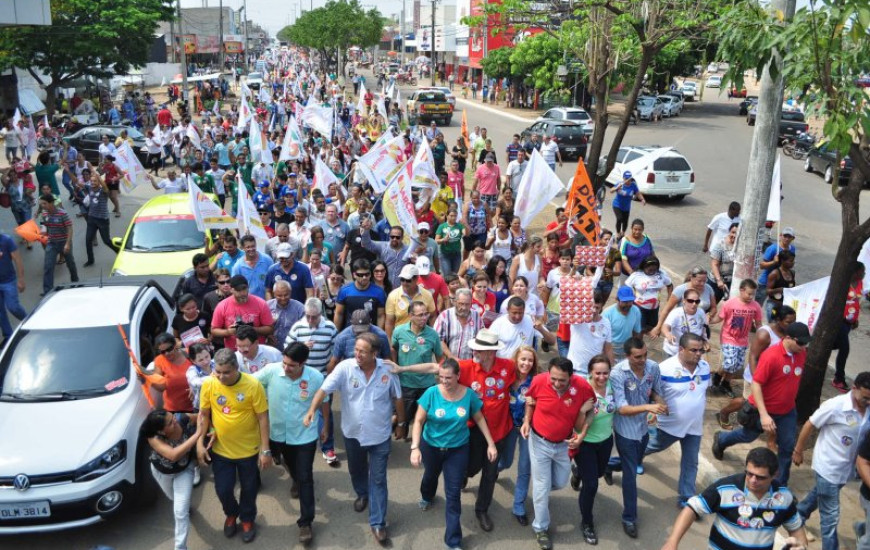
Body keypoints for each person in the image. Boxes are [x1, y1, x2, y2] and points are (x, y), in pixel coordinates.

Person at [303, 332, 407, 546]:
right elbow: (323, 390)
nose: (357, 354)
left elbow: (398, 397)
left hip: (380, 435)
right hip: (352, 434)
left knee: (378, 479)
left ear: (375, 353)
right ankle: (361, 493)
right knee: (357, 470)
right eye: (356, 350)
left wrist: (402, 424)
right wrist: (313, 410)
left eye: (362, 351)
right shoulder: (345, 368)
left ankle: (378, 522)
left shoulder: (388, 369)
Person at [409, 358, 496, 550]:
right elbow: (418, 421)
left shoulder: (469, 395)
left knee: (453, 494)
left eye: (448, 377)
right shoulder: (431, 393)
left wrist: (491, 444)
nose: (444, 381)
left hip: (457, 450)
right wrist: (415, 447)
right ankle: (427, 495)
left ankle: (453, 541)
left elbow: (480, 418)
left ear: (458, 376)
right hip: (431, 446)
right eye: (441, 377)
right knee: (430, 476)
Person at [712, 322, 812, 486]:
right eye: (800, 342)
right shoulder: (771, 356)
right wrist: (764, 415)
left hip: (787, 411)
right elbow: (756, 384)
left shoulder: (801, 354)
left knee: (786, 448)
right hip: (761, 410)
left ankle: (779, 485)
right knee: (748, 435)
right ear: (788, 338)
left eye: (805, 343)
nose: (803, 346)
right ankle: (722, 439)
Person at [251, 343, 329, 545]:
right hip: (276, 433)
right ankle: (294, 477)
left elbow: (325, 402)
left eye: (291, 365)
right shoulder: (271, 371)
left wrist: (326, 426)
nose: (285, 368)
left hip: (304, 434)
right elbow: (248, 383)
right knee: (283, 461)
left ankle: (305, 522)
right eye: (284, 363)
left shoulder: (316, 378)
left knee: (305, 477)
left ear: (303, 363)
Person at [660, 447, 808, 550]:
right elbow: (692, 509)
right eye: (749, 474)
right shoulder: (725, 489)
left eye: (760, 477)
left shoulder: (783, 498)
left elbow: (795, 528)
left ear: (775, 475)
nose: (752, 480)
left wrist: (800, 546)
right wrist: (672, 542)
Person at [196, 348, 271, 543]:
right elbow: (203, 415)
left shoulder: (253, 385)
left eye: (226, 372)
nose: (221, 377)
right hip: (221, 450)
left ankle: (247, 519)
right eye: (218, 372)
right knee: (223, 489)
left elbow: (263, 417)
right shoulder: (210, 384)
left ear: (236, 368)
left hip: (248, 450)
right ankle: (231, 513)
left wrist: (265, 450)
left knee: (249, 488)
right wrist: (199, 442)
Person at [521, 356, 595, 550]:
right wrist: (527, 420)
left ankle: (542, 494)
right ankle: (541, 528)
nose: (556, 383)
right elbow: (530, 400)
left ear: (571, 376)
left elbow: (591, 411)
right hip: (539, 442)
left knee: (560, 482)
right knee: (541, 486)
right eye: (553, 378)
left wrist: (582, 435)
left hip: (564, 444)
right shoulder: (538, 381)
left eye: (562, 380)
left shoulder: (583, 386)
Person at [791, 372, 870, 550]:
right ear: (855, 388)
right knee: (830, 518)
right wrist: (798, 450)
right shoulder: (836, 406)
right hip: (829, 466)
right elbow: (810, 424)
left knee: (818, 495)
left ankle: (798, 516)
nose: (868, 402)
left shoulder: (868, 408)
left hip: (847, 469)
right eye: (865, 398)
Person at [645, 333, 711, 509]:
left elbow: (701, 392)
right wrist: (659, 401)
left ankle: (686, 497)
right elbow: (650, 390)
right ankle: (611, 465)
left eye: (701, 350)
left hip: (694, 428)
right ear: (681, 350)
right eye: (694, 350)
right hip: (668, 427)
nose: (698, 354)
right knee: (641, 450)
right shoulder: (664, 368)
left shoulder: (704, 367)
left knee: (691, 462)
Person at [285, 297, 339, 467]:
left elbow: (336, 351)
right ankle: (300, 442)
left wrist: (331, 370)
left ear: (320, 314)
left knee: (325, 412)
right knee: (302, 410)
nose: (310, 320)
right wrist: (301, 346)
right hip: (302, 379)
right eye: (307, 316)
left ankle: (327, 447)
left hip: (323, 377)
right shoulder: (298, 327)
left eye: (314, 317)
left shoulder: (330, 328)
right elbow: (287, 351)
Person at [142, 409, 206, 550]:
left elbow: (203, 416)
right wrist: (197, 435)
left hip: (184, 471)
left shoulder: (183, 418)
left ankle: (180, 547)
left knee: (180, 512)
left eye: (173, 417)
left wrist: (210, 430)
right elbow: (173, 455)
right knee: (173, 498)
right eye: (170, 422)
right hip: (162, 474)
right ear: (161, 431)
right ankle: (185, 506)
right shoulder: (153, 438)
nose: (175, 421)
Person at [571, 355, 616, 545]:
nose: (602, 377)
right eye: (598, 373)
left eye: (605, 373)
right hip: (585, 442)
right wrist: (583, 410)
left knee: (597, 474)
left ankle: (578, 472)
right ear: (590, 372)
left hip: (606, 441)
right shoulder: (583, 390)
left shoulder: (613, 386)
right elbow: (577, 425)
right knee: (591, 486)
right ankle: (587, 523)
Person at [210, 274, 274, 351]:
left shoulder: (261, 303)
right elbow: (214, 330)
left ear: (248, 287)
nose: (242, 293)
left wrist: (251, 329)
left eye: (244, 289)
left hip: (257, 349)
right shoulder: (222, 306)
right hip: (234, 351)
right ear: (231, 290)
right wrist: (228, 332)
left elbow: (270, 328)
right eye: (238, 290)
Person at [832, 261, 865, 392]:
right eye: (862, 272)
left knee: (834, 345)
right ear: (856, 272)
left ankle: (809, 353)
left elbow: (857, 302)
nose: (864, 274)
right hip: (840, 322)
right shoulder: (843, 285)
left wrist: (855, 319)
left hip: (849, 324)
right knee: (844, 349)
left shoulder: (859, 283)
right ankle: (839, 379)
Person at [38, 194, 78, 295]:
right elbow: (45, 226)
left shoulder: (62, 213)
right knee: (48, 266)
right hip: (51, 243)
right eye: (41, 204)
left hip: (64, 242)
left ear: (51, 203)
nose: (42, 206)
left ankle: (76, 283)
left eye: (44, 203)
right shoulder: (45, 214)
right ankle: (48, 291)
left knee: (70, 264)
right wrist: (42, 231)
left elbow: (70, 228)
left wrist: (68, 244)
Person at [567, 291, 614, 375]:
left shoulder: (606, 323)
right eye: (591, 307)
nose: (594, 311)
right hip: (575, 369)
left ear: (601, 307)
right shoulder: (578, 318)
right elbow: (570, 302)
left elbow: (608, 348)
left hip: (594, 372)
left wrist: (611, 370)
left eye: (597, 307)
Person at [384, 264, 437, 340]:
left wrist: (432, 336)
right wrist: (390, 343)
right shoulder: (393, 296)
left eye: (408, 280)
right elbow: (389, 322)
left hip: (422, 337)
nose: (404, 283)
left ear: (416, 279)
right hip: (400, 338)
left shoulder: (427, 295)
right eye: (402, 279)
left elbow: (432, 316)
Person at [624, 255, 672, 331]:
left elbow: (669, 285)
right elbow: (626, 286)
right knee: (639, 328)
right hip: (639, 306)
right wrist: (631, 298)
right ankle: (638, 340)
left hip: (655, 308)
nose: (652, 271)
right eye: (650, 270)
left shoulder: (661, 274)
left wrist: (669, 298)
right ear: (644, 267)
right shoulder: (636, 275)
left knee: (651, 327)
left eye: (655, 269)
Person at [433, 288, 483, 360]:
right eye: (461, 304)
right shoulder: (445, 316)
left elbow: (481, 337)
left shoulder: (476, 316)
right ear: (455, 302)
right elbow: (437, 339)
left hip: (470, 363)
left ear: (471, 303)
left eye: (467, 304)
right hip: (448, 364)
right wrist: (451, 357)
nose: (464, 307)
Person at [660, 287, 708, 357]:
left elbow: (703, 328)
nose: (694, 304)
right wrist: (668, 334)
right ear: (684, 301)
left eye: (697, 301)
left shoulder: (701, 312)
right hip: (673, 351)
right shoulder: (676, 313)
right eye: (690, 301)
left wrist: (705, 341)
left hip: (692, 352)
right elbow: (665, 326)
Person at [602, 286, 643, 363]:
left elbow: (636, 333)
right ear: (617, 299)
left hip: (626, 349)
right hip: (611, 349)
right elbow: (602, 337)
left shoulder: (636, 311)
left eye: (630, 301)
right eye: (625, 302)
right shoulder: (607, 314)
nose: (628, 304)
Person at [756, 228, 796, 305]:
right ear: (780, 236)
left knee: (776, 305)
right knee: (757, 305)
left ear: (793, 238)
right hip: (766, 282)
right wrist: (774, 262)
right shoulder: (773, 248)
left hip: (780, 283)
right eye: (785, 236)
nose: (787, 239)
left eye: (789, 237)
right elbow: (762, 265)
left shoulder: (792, 249)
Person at [0, 231, 26, 342]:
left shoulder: (6, 240)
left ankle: (28, 323)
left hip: (8, 281)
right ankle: (8, 336)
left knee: (13, 307)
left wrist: (20, 279)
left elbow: (18, 260)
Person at [266, 280, 305, 348]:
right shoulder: (267, 306)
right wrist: (267, 336)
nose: (283, 298)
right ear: (274, 294)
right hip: (271, 347)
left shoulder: (300, 308)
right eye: (279, 295)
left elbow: (304, 329)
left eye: (286, 295)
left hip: (292, 348)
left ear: (290, 293)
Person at [710, 222, 739, 302]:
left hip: (732, 282)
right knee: (712, 304)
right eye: (733, 232)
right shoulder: (720, 245)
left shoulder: (740, 246)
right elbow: (714, 264)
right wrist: (719, 280)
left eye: (737, 233)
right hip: (717, 282)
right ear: (729, 231)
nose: (734, 235)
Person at [611, 171, 646, 236]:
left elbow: (638, 193)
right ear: (623, 178)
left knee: (625, 221)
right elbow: (611, 190)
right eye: (626, 178)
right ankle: (618, 233)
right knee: (619, 219)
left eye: (629, 179)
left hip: (626, 207)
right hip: (617, 205)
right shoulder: (620, 184)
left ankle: (623, 233)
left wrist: (642, 199)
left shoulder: (633, 185)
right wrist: (616, 188)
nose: (628, 180)